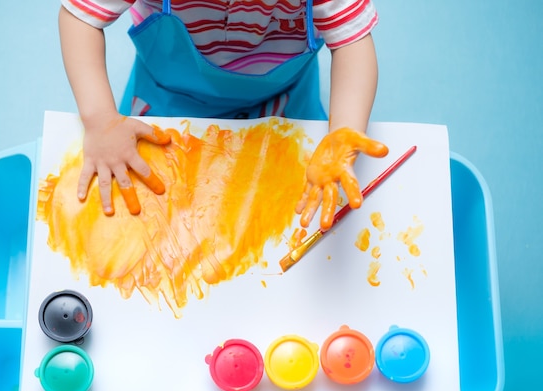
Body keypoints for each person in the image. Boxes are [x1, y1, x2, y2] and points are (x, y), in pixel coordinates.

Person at [58, 0, 388, 231]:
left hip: (281, 94)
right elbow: (79, 18)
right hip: (171, 93)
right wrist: (100, 118)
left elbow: (352, 43)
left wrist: (344, 132)